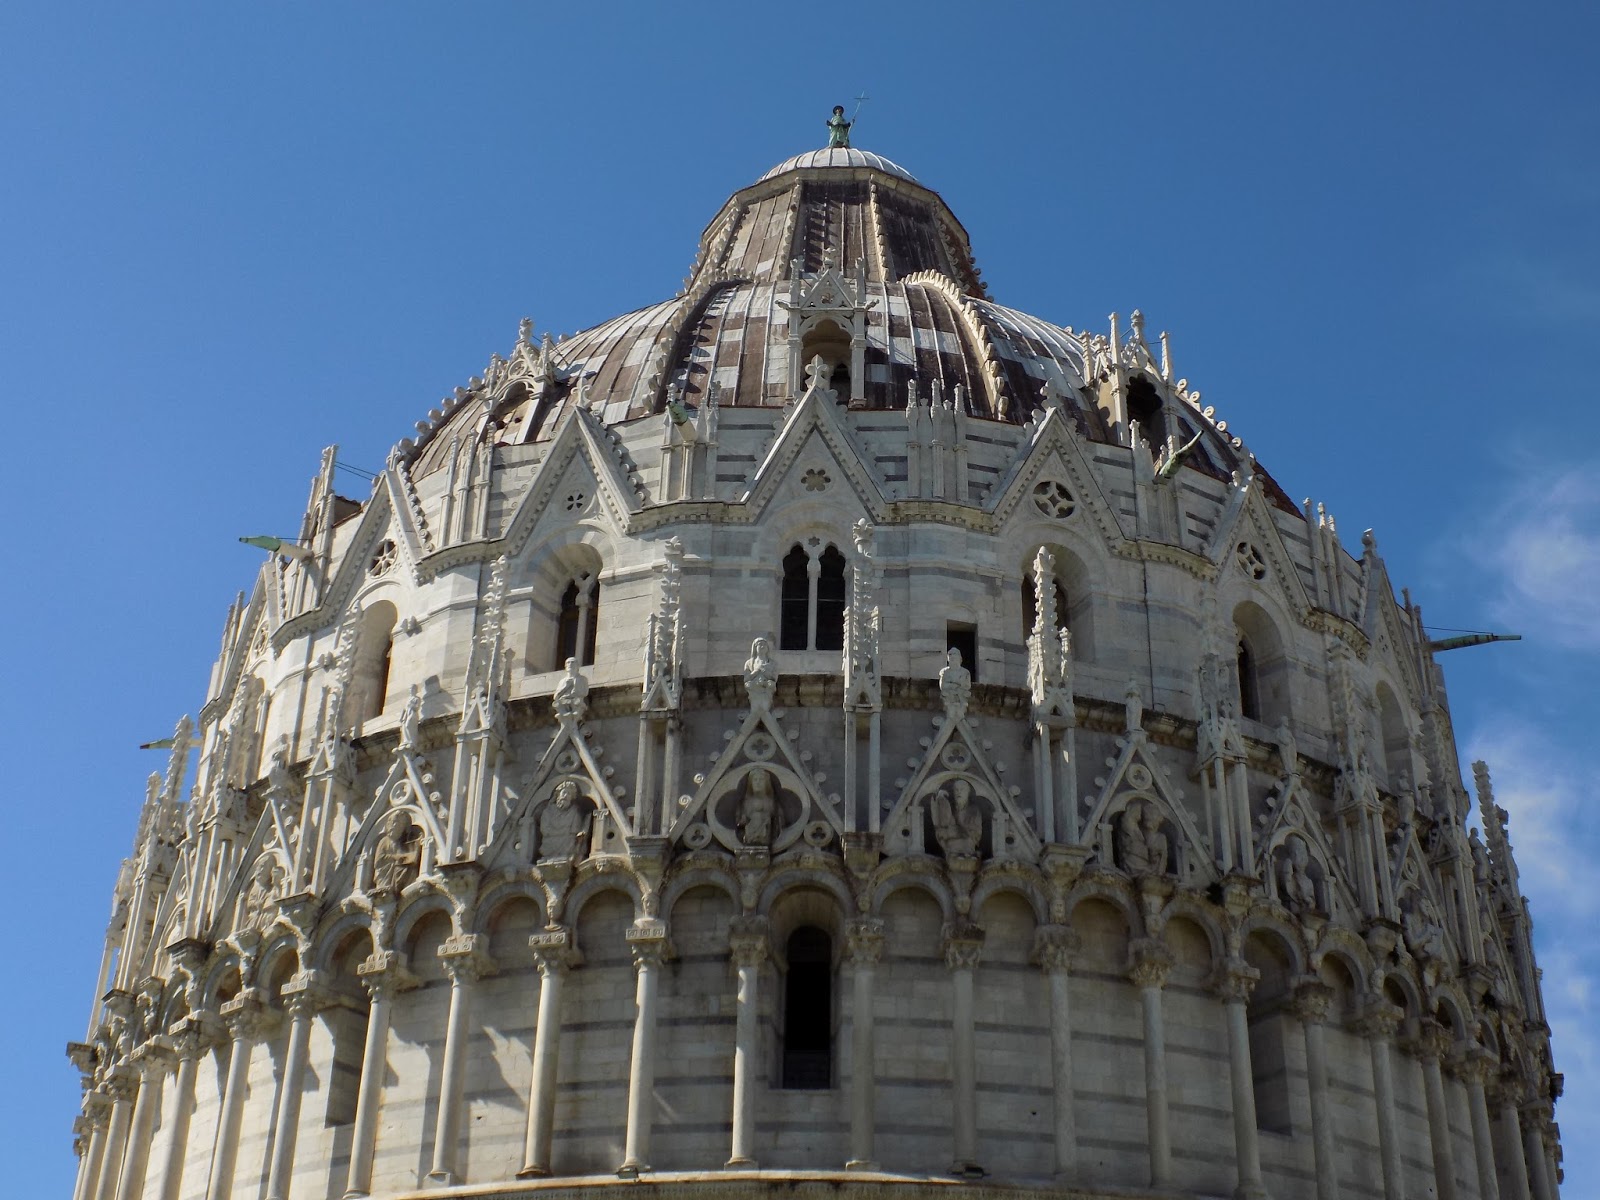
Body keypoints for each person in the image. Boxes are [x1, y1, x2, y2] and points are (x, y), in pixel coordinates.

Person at [538, 779, 590, 861]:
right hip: (550, 842)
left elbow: (574, 830)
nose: (566, 796)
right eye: (564, 792)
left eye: (569, 794)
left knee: (571, 841)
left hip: (567, 842)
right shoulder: (548, 811)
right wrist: (564, 831)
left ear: (571, 798)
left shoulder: (574, 811)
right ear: (558, 795)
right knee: (549, 843)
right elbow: (544, 830)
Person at [737, 767, 777, 848]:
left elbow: (777, 819)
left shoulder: (771, 802)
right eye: (755, 780)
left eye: (761, 780)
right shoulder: (746, 802)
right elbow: (741, 820)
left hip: (766, 830)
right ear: (751, 784)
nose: (758, 782)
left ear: (766, 783)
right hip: (750, 831)